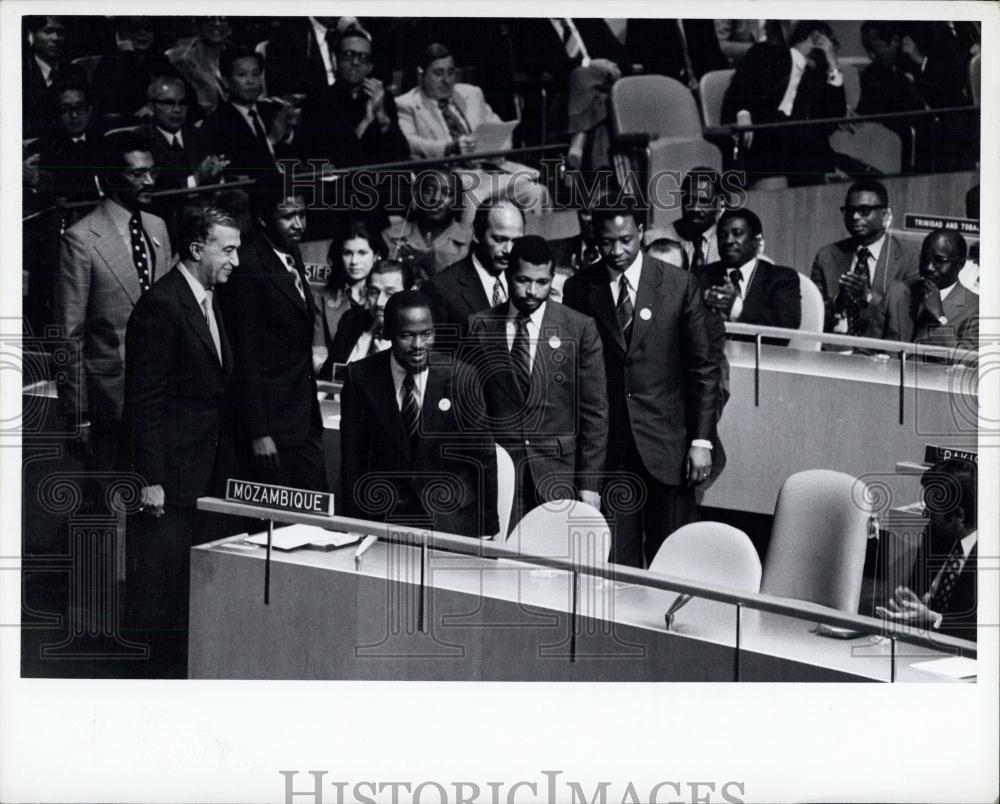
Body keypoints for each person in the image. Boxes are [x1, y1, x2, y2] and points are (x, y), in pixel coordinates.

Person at [562, 198, 719, 567]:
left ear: (642, 234)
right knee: (618, 561)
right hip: (612, 451)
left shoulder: (679, 284)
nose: (617, 251)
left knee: (673, 559)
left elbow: (703, 369)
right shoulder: (579, 289)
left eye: (626, 240)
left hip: (670, 448)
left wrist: (701, 440)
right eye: (607, 242)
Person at [121, 204, 240, 677]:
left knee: (187, 593)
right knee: (160, 596)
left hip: (203, 473)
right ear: (196, 248)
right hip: (169, 480)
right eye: (227, 249)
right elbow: (143, 402)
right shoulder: (162, 306)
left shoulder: (209, 301)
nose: (236, 259)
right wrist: (151, 479)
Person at [468, 236, 609, 527]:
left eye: (542, 282)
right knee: (501, 562)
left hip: (559, 473)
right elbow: (470, 407)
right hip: (500, 474)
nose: (532, 291)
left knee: (553, 564)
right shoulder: (480, 325)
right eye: (522, 280)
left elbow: (595, 412)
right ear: (507, 275)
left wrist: (590, 483)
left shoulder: (580, 328)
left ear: (552, 278)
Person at [55, 131, 171, 480]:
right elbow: (69, 334)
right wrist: (78, 414)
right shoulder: (81, 238)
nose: (148, 180)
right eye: (137, 174)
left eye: (151, 171)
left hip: (161, 395)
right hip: (110, 403)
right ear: (108, 178)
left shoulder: (157, 226)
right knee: (105, 502)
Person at [339, 290, 498, 538]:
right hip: (385, 517)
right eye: (407, 336)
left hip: (451, 519)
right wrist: (351, 525)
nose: (418, 345)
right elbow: (352, 460)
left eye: (426, 334)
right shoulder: (360, 377)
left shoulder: (461, 378)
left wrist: (487, 531)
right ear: (388, 333)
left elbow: (483, 458)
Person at [218, 187, 327, 492]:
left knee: (313, 512)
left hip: (301, 415)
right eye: (287, 216)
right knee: (274, 525)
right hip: (269, 424)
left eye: (302, 214)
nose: (298, 224)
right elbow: (243, 354)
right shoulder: (248, 266)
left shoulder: (291, 253)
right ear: (264, 219)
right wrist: (258, 431)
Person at [395, 43, 550, 220]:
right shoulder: (406, 104)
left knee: (535, 192)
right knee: (474, 200)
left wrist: (494, 150)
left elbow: (500, 129)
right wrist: (450, 148)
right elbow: (410, 143)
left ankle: (533, 245)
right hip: (452, 179)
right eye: (438, 73)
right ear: (421, 74)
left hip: (489, 171)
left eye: (450, 72)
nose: (447, 80)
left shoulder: (472, 93)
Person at [721, 20, 848, 186]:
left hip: (799, 147)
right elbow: (738, 91)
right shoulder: (766, 53)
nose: (829, 53)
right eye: (829, 47)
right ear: (817, 39)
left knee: (830, 166)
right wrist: (744, 115)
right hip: (764, 140)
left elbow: (834, 115)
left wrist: (833, 65)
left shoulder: (816, 77)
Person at [877, 458, 977, 642]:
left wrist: (934, 618)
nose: (925, 515)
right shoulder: (935, 533)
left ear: (958, 517)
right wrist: (907, 607)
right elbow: (916, 596)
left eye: (931, 510)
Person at [810, 179, 920, 336]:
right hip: (834, 348)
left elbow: (906, 319)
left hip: (881, 350)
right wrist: (838, 302)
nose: (855, 216)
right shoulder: (827, 255)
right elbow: (813, 314)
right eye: (849, 210)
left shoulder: (908, 259)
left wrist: (867, 296)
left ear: (884, 214)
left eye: (864, 210)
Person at [296, 29, 409, 169]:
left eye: (363, 57)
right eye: (349, 55)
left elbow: (403, 155)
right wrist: (366, 121)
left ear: (370, 67)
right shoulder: (317, 101)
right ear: (334, 60)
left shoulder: (382, 98)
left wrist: (381, 116)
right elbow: (333, 162)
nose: (356, 62)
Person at [422, 199, 525, 348]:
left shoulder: (527, 281)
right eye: (499, 239)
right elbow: (435, 358)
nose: (508, 250)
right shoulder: (441, 288)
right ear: (476, 233)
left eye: (516, 241)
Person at [699, 208, 801, 343]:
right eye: (722, 235)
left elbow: (787, 324)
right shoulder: (700, 276)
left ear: (756, 240)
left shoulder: (782, 278)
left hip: (763, 359)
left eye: (737, 233)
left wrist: (735, 307)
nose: (728, 240)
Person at [200, 46, 297, 181]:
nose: (251, 81)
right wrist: (271, 141)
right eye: (242, 75)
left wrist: (287, 135)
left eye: (255, 74)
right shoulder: (216, 123)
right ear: (226, 81)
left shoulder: (273, 110)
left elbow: (298, 155)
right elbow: (240, 171)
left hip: (293, 186)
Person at [874, 229, 978, 352]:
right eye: (924, 258)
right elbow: (866, 348)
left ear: (961, 264)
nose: (928, 267)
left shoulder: (975, 308)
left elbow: (964, 362)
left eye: (940, 260)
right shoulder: (897, 292)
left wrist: (939, 318)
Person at [315, 218, 387, 379]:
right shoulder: (323, 298)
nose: (354, 261)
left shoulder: (387, 297)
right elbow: (318, 353)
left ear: (376, 255)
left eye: (362, 253)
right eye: (348, 253)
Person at [139, 76, 228, 192]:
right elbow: (154, 188)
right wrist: (196, 179)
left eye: (182, 103)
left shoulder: (200, 135)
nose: (177, 109)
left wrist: (217, 173)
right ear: (151, 108)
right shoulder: (140, 142)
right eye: (169, 103)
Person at [381, 168, 472, 281]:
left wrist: (430, 265)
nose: (436, 198)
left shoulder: (470, 240)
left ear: (458, 201)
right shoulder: (391, 235)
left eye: (447, 193)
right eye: (428, 191)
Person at [90, 16, 176, 121]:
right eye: (135, 28)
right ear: (123, 34)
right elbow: (122, 102)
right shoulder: (109, 62)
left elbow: (187, 93)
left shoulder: (160, 59)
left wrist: (155, 106)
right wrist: (128, 55)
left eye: (148, 28)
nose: (143, 33)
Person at [330, 259, 413, 365]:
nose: (379, 302)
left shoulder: (419, 338)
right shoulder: (351, 320)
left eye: (390, 293)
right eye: (374, 292)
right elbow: (327, 374)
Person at [37, 82, 102, 204]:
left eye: (80, 107)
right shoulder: (46, 150)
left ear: (90, 110)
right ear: (56, 115)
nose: (74, 115)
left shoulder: (105, 141)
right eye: (65, 110)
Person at [22, 15, 86, 138]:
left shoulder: (76, 72)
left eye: (60, 32)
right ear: (31, 35)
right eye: (48, 31)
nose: (56, 38)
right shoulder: (21, 74)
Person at [654, 167, 723, 271]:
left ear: (720, 202)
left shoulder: (728, 242)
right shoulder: (653, 238)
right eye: (689, 200)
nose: (695, 208)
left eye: (704, 201)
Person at [167, 16, 230, 117]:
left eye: (223, 19)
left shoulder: (238, 57)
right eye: (210, 19)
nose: (217, 24)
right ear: (197, 25)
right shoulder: (175, 58)